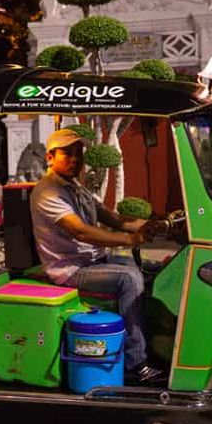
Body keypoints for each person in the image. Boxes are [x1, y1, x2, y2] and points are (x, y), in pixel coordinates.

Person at [30, 128, 167, 383]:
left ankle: (159, 345)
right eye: (67, 154)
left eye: (78, 154)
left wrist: (154, 224)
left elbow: (114, 218)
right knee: (129, 278)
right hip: (71, 270)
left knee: (153, 270)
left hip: (94, 261)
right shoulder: (48, 192)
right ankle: (136, 364)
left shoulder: (75, 186)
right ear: (50, 157)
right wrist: (129, 239)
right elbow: (80, 231)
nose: (74, 160)